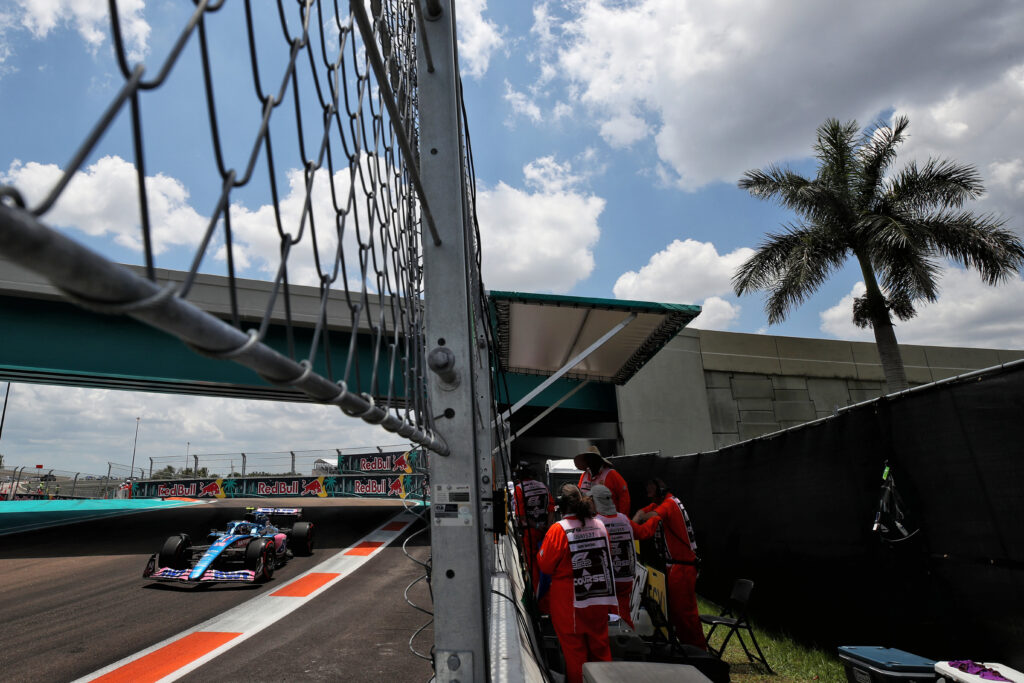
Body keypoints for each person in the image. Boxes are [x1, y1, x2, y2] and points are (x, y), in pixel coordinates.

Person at [538, 484, 618, 683]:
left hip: (569, 604)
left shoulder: (558, 530)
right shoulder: (599, 525)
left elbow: (545, 565)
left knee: (576, 658)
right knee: (601, 652)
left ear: (561, 506)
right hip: (598, 599)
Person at [632, 478, 707, 650]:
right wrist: (637, 516)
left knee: (685, 615)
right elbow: (645, 512)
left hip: (682, 568)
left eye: (651, 491)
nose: (648, 494)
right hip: (678, 566)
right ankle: (688, 648)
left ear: (660, 491)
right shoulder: (664, 503)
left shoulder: (668, 505)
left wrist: (630, 524)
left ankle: (698, 651)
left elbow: (646, 527)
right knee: (677, 614)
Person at [590, 484, 638, 628]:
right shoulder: (624, 519)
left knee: (608, 619)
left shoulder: (596, 522)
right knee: (624, 614)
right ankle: (629, 639)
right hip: (627, 576)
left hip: (608, 579)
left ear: (595, 501)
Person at [512, 462, 555, 597]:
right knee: (547, 563)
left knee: (532, 566)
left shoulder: (519, 489)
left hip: (529, 533)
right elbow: (551, 510)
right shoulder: (543, 486)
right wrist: (547, 528)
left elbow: (521, 516)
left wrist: (535, 526)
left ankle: (537, 599)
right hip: (545, 532)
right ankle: (547, 596)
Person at [575, 445, 630, 515]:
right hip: (588, 520)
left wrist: (621, 518)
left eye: (593, 459)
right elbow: (579, 497)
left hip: (609, 519)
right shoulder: (584, 476)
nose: (591, 462)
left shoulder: (611, 474)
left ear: (599, 460)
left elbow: (624, 497)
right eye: (588, 460)